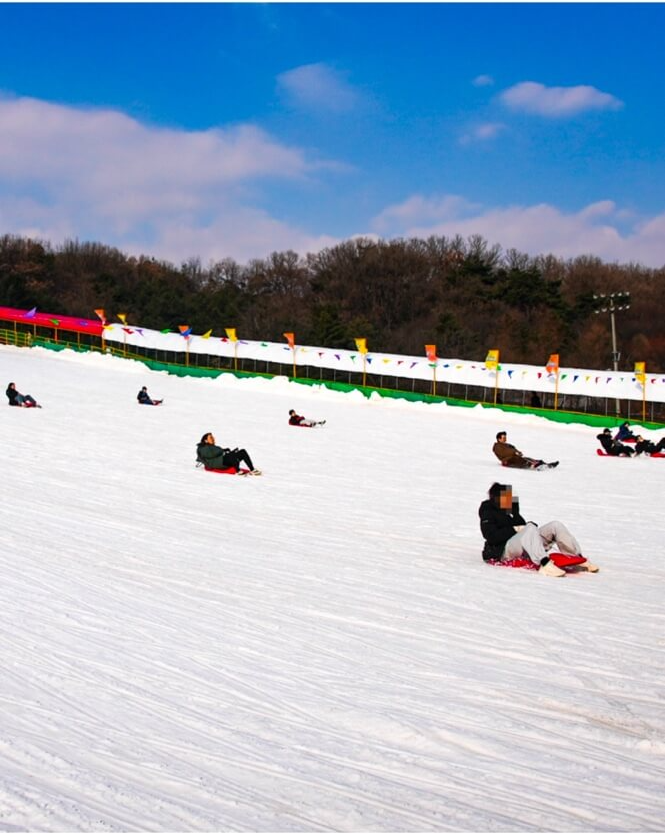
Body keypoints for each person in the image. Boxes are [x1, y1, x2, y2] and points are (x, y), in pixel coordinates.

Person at [478, 482, 597, 576]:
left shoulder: (510, 510)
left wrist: (518, 518)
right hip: (502, 550)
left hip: (518, 546)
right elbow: (491, 536)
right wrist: (515, 529)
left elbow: (522, 528)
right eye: (506, 496)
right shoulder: (488, 510)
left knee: (555, 525)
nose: (510, 499)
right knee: (529, 528)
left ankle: (577, 558)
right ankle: (544, 563)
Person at [196, 432, 260, 474]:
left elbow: (215, 452)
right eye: (211, 437)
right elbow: (211, 454)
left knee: (242, 452)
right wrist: (222, 450)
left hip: (221, 460)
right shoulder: (203, 448)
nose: (213, 438)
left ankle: (252, 469)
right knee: (231, 455)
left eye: (213, 437)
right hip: (217, 463)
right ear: (205, 440)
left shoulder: (211, 446)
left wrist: (224, 450)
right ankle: (238, 471)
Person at [492, 431, 559, 470]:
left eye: (505, 437)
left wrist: (518, 452)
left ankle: (546, 464)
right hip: (508, 461)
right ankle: (538, 466)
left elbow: (514, 450)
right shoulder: (497, 446)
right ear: (499, 439)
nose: (505, 439)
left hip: (514, 458)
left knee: (528, 459)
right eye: (503, 438)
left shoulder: (507, 445)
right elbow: (505, 453)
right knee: (526, 462)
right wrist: (515, 452)